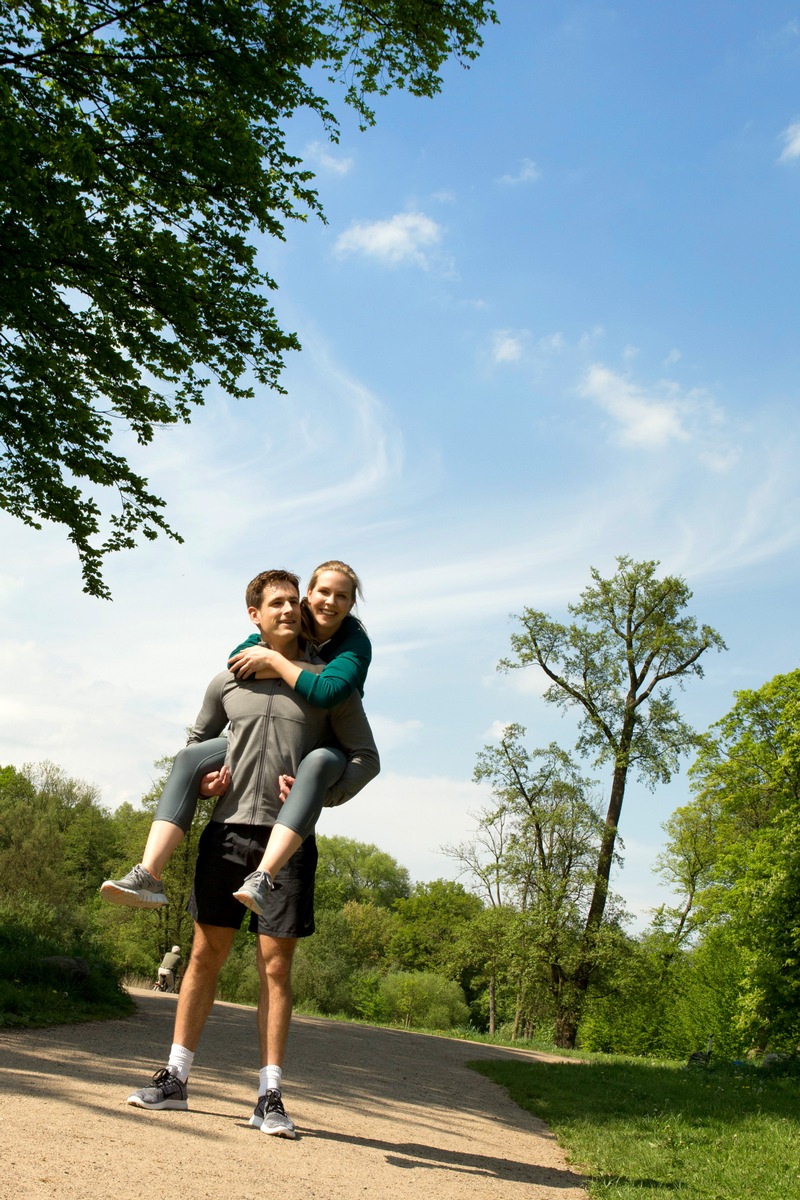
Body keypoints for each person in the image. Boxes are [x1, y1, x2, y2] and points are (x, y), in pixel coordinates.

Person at [126, 569, 379, 1137]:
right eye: (277, 603)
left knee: (275, 968)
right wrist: (207, 782)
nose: (289, 610)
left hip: (285, 846)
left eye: (296, 602)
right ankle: (175, 1078)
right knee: (202, 958)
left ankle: (269, 1096)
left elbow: (365, 756)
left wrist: (328, 793)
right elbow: (195, 747)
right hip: (226, 833)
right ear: (254, 616)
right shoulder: (228, 679)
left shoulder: (327, 685)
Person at [100, 560, 371, 912]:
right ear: (308, 596)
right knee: (189, 757)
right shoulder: (256, 653)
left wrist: (327, 793)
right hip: (230, 821)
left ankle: (265, 875)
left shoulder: (352, 646)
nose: (330, 602)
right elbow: (234, 663)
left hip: (319, 751)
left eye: (342, 596)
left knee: (320, 759)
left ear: (351, 604)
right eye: (322, 592)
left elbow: (329, 691)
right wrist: (201, 784)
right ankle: (148, 873)